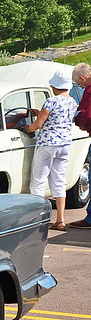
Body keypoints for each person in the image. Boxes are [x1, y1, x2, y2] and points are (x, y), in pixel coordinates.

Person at [25, 69, 78, 231]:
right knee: (58, 181)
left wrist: (27, 128)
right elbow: (59, 117)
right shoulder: (72, 102)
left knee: (39, 180)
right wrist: (39, 113)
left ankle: (38, 219)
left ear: (55, 86)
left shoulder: (51, 101)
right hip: (64, 145)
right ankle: (60, 220)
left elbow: (38, 125)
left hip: (47, 144)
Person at [69, 62, 91, 229]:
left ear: (83, 78)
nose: (79, 86)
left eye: (79, 83)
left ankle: (90, 219)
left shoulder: (89, 91)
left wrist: (78, 121)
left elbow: (85, 115)